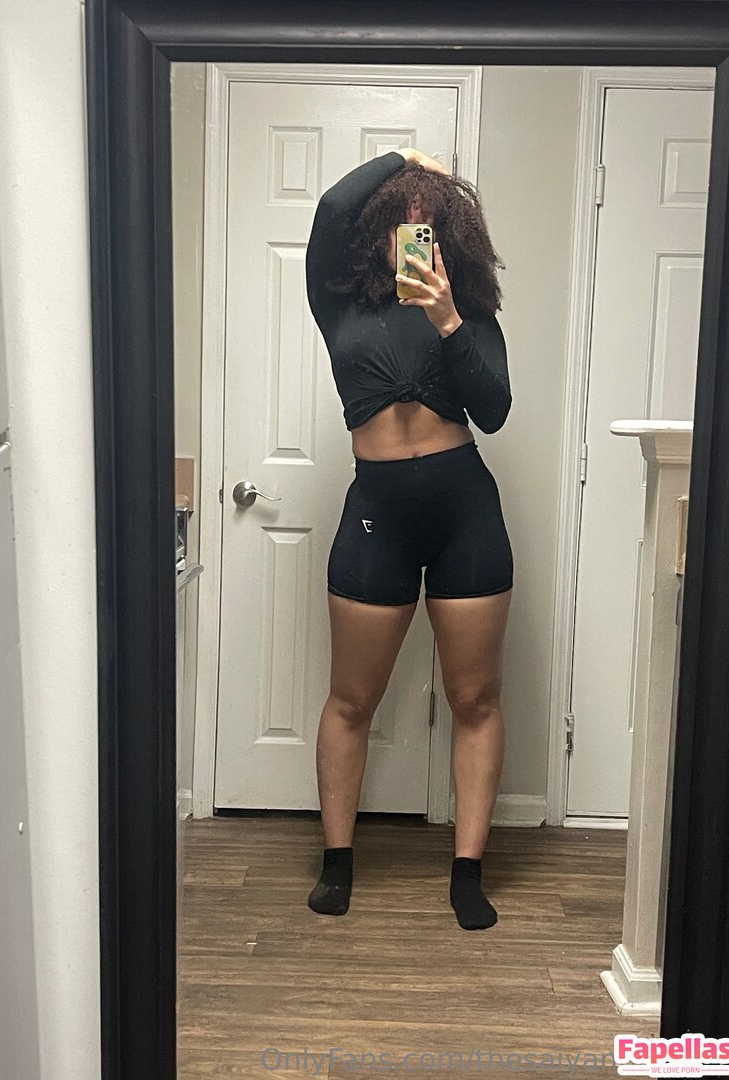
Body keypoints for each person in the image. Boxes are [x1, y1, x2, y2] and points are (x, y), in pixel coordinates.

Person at [304, 146, 513, 931]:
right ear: (379, 229)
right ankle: (337, 863)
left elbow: (494, 411)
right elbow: (329, 209)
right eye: (403, 220)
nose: (415, 235)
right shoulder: (338, 304)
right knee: (352, 698)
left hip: (466, 511)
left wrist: (449, 319)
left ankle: (468, 872)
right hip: (376, 514)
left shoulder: (469, 310)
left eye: (429, 224)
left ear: (449, 236)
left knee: (475, 698)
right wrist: (405, 160)